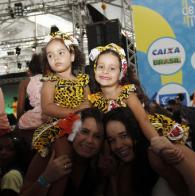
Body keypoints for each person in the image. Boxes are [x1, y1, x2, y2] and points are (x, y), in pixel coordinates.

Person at [88, 43, 191, 195]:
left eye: (112, 68)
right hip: (118, 148)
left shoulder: (126, 93)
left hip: (142, 140)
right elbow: (103, 132)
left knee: (163, 166)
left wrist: (158, 143)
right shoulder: (93, 100)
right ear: (95, 69)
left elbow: (143, 120)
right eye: (101, 66)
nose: (105, 72)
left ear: (121, 73)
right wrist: (105, 155)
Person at [30, 31, 91, 196]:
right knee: (64, 159)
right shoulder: (50, 81)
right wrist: (73, 112)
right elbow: (47, 107)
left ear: (72, 55)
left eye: (60, 52)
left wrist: (84, 111)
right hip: (60, 126)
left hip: (81, 125)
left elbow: (88, 103)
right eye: (50, 55)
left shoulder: (83, 81)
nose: (55, 58)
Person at [20, 107, 105, 196]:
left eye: (97, 136)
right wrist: (46, 178)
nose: (89, 140)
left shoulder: (99, 166)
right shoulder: (49, 152)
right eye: (84, 132)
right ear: (73, 131)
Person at [103, 107, 159, 196]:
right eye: (112, 140)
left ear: (136, 132)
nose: (118, 145)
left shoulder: (157, 162)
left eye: (124, 136)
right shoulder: (118, 167)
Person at [16, 53, 45, 130]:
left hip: (37, 117)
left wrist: (18, 123)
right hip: (53, 113)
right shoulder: (51, 79)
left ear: (30, 68)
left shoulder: (25, 82)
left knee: (23, 122)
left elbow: (20, 107)